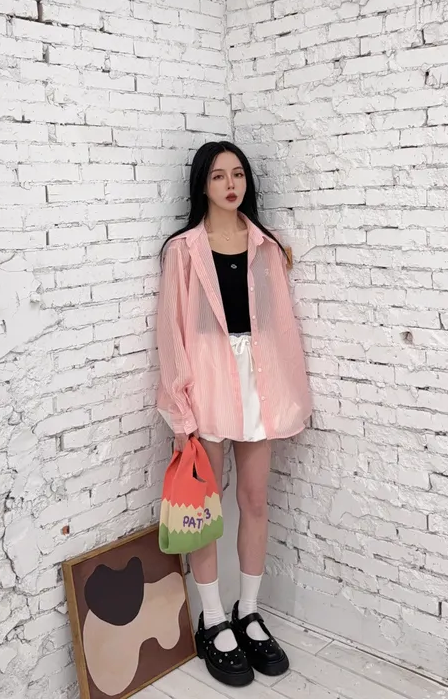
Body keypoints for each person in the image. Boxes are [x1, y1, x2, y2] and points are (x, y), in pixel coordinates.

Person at [156, 141, 312, 688]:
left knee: (254, 499)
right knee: (205, 506)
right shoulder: (183, 250)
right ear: (202, 184)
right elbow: (171, 332)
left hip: (259, 383)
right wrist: (180, 411)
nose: (230, 184)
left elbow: (280, 326)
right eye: (219, 175)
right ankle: (213, 618)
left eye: (238, 174)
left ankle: (248, 611)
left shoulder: (266, 247)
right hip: (207, 383)